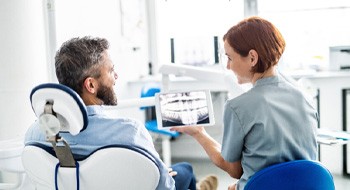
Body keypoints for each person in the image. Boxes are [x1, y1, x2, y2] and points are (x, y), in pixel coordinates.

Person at [24, 36, 217, 190]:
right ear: (91, 84)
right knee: (185, 171)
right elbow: (164, 186)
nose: (116, 77)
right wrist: (162, 173)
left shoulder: (36, 133)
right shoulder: (129, 132)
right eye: (111, 70)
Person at [171, 16, 318, 190]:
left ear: (252, 58)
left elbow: (233, 169)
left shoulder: (238, 107)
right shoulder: (304, 97)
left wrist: (199, 133)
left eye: (230, 58)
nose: (227, 66)